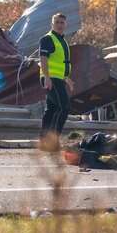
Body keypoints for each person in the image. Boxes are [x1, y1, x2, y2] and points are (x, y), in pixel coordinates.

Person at [38, 12, 75, 151]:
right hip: (51, 78)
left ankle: (44, 141)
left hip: (58, 79)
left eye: (62, 22)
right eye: (57, 22)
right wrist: (47, 77)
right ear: (52, 24)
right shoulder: (48, 39)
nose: (60, 25)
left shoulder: (62, 41)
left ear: (66, 24)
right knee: (64, 107)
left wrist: (67, 79)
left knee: (51, 109)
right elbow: (43, 59)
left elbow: (60, 63)